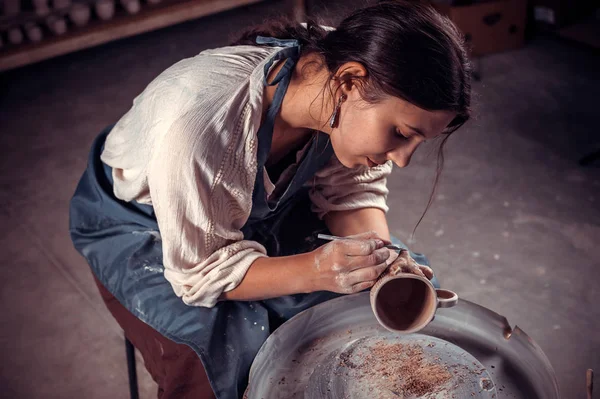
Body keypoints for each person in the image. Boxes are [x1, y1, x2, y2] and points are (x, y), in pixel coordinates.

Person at [69, 1, 471, 397]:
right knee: (227, 356)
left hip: (256, 204)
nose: (403, 160)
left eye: (420, 140)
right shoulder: (200, 121)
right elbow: (198, 274)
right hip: (145, 225)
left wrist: (376, 255)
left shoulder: (345, 65)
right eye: (401, 134)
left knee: (388, 289)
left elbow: (350, 189)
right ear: (349, 82)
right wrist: (317, 270)